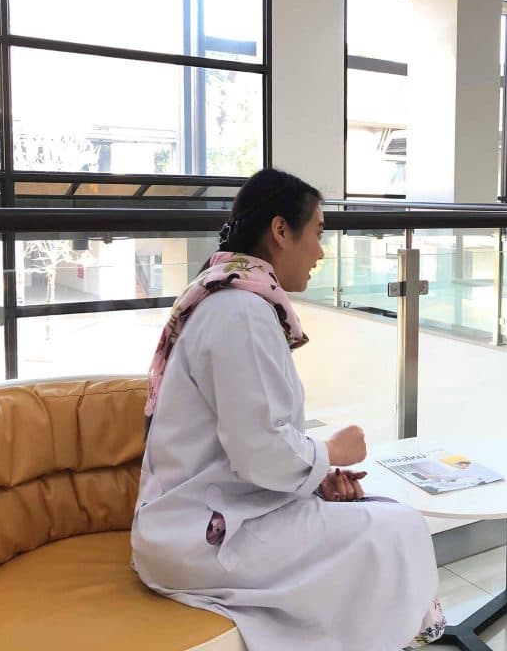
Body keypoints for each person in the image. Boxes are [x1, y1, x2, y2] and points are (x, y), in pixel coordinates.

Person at [131, 168, 444, 651]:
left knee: (379, 526)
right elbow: (260, 450)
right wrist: (332, 450)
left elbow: (247, 445)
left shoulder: (227, 299)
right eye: (317, 232)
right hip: (202, 538)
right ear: (281, 231)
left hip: (203, 518)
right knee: (399, 530)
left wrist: (315, 479)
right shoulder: (240, 312)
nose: (321, 252)